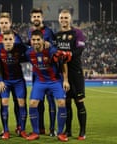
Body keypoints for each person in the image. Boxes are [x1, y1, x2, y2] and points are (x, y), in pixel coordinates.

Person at [25, 30, 70, 142]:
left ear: (43, 40)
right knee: (32, 103)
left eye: (38, 40)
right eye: (33, 40)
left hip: (55, 81)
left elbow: (64, 62)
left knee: (61, 102)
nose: (36, 42)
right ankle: (35, 132)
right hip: (40, 81)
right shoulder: (28, 53)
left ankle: (60, 133)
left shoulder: (51, 50)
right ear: (31, 41)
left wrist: (65, 80)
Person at [0, 12, 26, 135]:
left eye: (6, 22)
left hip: (17, 77)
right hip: (3, 77)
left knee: (19, 102)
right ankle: (5, 130)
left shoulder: (17, 38)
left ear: (10, 23)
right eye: (2, 23)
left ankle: (20, 127)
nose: (4, 25)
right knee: (4, 102)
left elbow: (24, 53)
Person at [55, 9, 87, 140]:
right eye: (61, 18)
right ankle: (68, 131)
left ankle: (82, 132)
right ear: (59, 19)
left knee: (79, 102)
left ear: (70, 19)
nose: (63, 20)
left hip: (76, 73)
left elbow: (80, 48)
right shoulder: (56, 36)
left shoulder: (77, 33)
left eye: (66, 18)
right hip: (63, 74)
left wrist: (70, 54)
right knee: (66, 103)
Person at [27, 8, 57, 136]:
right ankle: (40, 128)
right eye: (34, 17)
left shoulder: (49, 32)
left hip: (49, 73)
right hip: (36, 73)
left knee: (51, 101)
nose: (36, 19)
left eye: (38, 16)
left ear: (42, 18)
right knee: (38, 101)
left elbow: (55, 48)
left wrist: (50, 45)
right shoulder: (30, 32)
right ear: (31, 19)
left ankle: (52, 129)